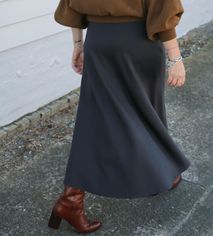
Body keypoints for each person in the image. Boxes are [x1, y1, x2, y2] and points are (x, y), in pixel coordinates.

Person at [48, 0, 191, 234]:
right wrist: (175, 58)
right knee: (146, 109)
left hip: (99, 43)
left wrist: (78, 44)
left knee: (95, 118)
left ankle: (72, 200)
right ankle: (158, 169)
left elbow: (70, 5)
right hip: (138, 42)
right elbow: (163, 7)